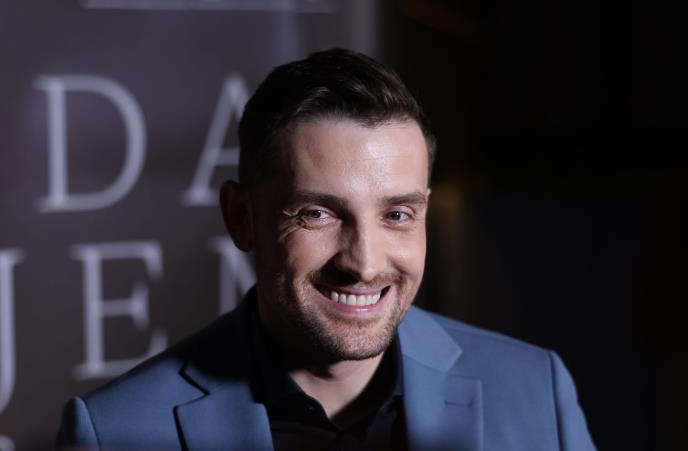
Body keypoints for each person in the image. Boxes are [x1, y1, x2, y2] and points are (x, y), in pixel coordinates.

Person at [57, 48, 596, 451]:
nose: (364, 263)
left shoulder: (536, 388)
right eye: (318, 214)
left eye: (397, 214)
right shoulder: (113, 432)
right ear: (241, 218)